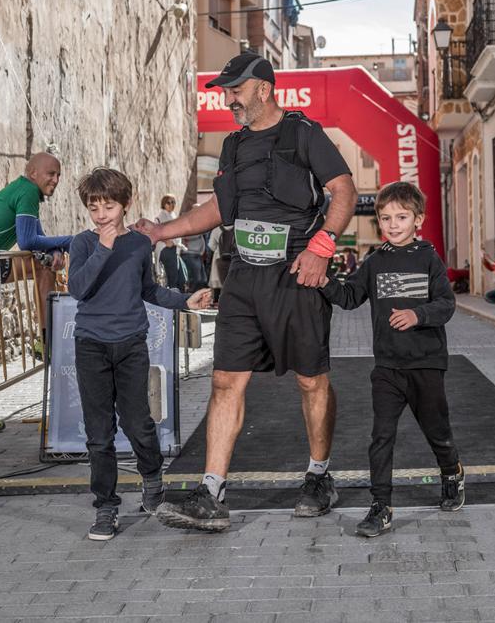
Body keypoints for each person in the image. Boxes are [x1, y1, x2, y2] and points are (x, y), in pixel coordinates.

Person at [134, 51, 356, 532]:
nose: (229, 99)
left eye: (235, 90)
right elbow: (216, 209)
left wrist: (321, 247)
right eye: (226, 90)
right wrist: (161, 231)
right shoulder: (233, 147)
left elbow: (343, 190)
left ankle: (319, 476)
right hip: (243, 278)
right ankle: (211, 492)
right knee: (224, 381)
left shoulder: (305, 135)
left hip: (298, 275)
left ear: (263, 89)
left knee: (310, 381)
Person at [67, 168, 212, 541]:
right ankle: (106, 507)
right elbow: (79, 289)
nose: (101, 215)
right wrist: (103, 247)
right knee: (99, 433)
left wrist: (185, 300)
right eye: (94, 207)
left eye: (109, 206)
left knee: (138, 423)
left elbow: (149, 290)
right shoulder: (83, 243)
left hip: (131, 344)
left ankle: (151, 479)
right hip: (91, 345)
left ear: (126, 204)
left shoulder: (139, 245)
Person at [320, 181, 462, 537]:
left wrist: (418, 316)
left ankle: (452, 472)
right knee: (381, 436)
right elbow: (351, 297)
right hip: (386, 368)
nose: (393, 224)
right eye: (386, 218)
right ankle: (380, 507)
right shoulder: (375, 261)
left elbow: (447, 304)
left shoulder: (429, 258)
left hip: (426, 364)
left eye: (401, 217)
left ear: (419, 220)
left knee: (438, 433)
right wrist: (323, 280)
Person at [0, 152, 71, 353]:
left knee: (44, 266)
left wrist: (55, 248)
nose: (55, 180)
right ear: (33, 173)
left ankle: (46, 341)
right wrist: (70, 241)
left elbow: (38, 235)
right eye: (51, 174)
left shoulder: (23, 189)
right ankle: (47, 342)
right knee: (43, 267)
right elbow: (27, 241)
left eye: (58, 175)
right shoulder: (28, 191)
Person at [156, 195, 184, 289]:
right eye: (169, 202)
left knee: (179, 277)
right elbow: (156, 232)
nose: (171, 204)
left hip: (175, 248)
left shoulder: (173, 215)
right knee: (173, 277)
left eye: (173, 202)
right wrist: (166, 240)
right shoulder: (161, 216)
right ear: (164, 204)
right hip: (166, 248)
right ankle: (173, 299)